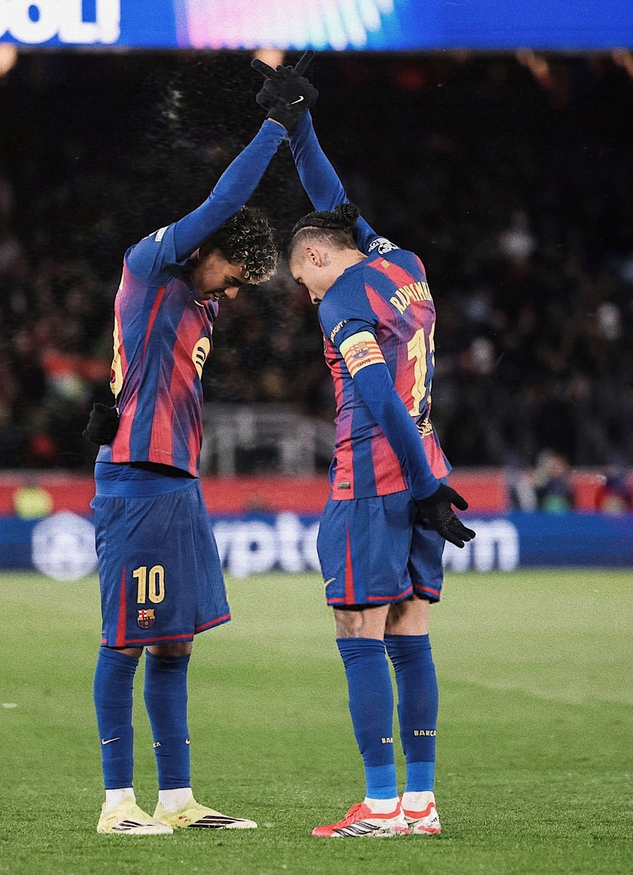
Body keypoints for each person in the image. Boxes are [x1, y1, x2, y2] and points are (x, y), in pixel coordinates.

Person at [83, 55, 318, 835]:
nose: (235, 289)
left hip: (177, 483)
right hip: (137, 480)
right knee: (126, 640)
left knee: (174, 643)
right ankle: (117, 803)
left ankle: (177, 799)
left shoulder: (200, 301)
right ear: (210, 248)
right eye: (235, 273)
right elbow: (224, 201)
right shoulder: (153, 264)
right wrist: (277, 126)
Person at [252, 59, 475, 838]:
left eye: (301, 279)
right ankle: (420, 803)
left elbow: (377, 397)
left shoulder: (342, 298)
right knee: (411, 631)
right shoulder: (400, 262)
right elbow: (334, 201)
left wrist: (418, 486)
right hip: (426, 463)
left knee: (359, 634)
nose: (306, 294)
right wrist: (300, 124)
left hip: (375, 478)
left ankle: (379, 806)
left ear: (316, 258)